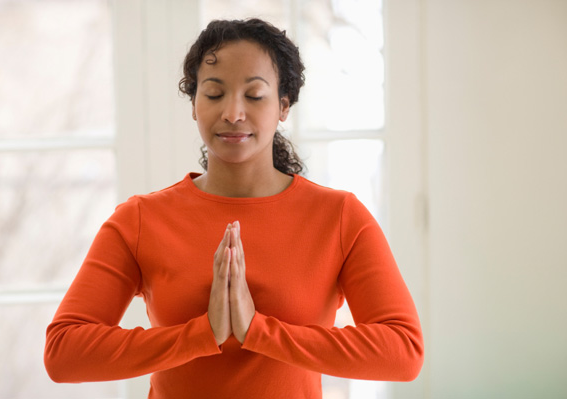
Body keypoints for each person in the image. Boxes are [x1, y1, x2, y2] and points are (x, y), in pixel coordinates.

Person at [44, 18, 424, 398]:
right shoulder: (140, 220)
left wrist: (258, 331)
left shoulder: (339, 217)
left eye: (255, 95)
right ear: (194, 105)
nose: (232, 113)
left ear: (284, 106)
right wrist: (200, 334)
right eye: (213, 94)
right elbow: (64, 353)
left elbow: (404, 352)